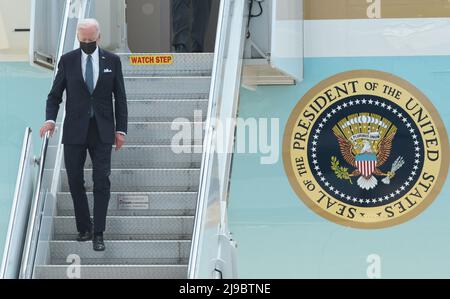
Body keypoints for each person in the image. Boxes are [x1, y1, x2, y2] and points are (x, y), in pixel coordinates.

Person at [39, 18, 128, 252]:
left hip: (102, 131)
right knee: (75, 180)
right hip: (74, 131)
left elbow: (120, 97)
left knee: (102, 181)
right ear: (79, 38)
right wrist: (50, 120)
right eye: (83, 40)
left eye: (90, 40)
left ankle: (98, 232)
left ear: (99, 38)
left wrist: (121, 130)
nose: (87, 43)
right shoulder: (67, 61)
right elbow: (54, 95)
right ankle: (84, 227)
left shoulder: (113, 61)